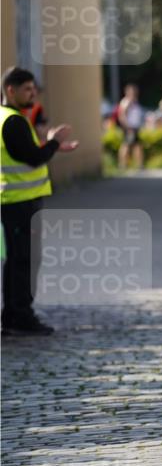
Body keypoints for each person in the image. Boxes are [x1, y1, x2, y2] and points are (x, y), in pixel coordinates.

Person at [1, 67, 79, 336]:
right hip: (20, 202)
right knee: (24, 260)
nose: (32, 93)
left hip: (13, 200)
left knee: (15, 260)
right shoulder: (14, 121)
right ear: (10, 90)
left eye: (33, 88)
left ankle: (12, 315)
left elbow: (27, 152)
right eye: (27, 89)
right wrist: (55, 142)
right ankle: (21, 316)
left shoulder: (7, 118)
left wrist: (51, 145)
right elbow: (33, 158)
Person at [117, 84, 145, 169]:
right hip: (129, 128)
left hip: (134, 127)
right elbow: (121, 115)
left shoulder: (134, 101)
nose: (133, 92)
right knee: (126, 145)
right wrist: (128, 127)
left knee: (137, 146)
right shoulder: (126, 102)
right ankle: (122, 165)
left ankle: (139, 165)